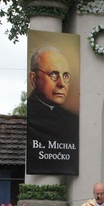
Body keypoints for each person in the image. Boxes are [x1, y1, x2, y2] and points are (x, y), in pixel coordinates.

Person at [27, 46, 79, 174]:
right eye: (54, 74)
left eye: (65, 75)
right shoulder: (31, 118)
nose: (61, 83)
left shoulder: (72, 119)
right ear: (34, 79)